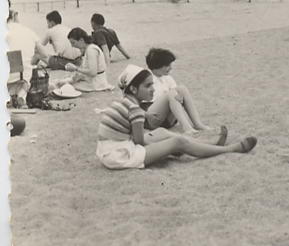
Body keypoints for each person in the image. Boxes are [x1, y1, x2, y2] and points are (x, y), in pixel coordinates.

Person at [96, 64, 257, 170]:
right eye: (147, 85)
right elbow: (139, 143)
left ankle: (208, 144)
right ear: (133, 88)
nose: (152, 89)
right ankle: (229, 149)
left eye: (152, 84)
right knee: (178, 142)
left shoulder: (125, 103)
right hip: (120, 155)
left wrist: (161, 140)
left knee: (161, 133)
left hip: (110, 150)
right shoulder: (135, 110)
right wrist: (167, 146)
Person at [142, 48, 220, 136]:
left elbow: (177, 96)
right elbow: (131, 103)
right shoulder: (144, 77)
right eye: (167, 65)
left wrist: (180, 97)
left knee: (181, 88)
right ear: (158, 65)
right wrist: (145, 115)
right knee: (171, 93)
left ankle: (198, 124)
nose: (170, 67)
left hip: (168, 119)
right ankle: (187, 128)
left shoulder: (167, 78)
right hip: (151, 118)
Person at [52, 27, 113, 92]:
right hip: (95, 80)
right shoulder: (88, 48)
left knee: (65, 87)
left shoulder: (91, 50)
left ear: (81, 40)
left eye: (73, 43)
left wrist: (76, 68)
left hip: (96, 83)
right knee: (63, 83)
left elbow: (93, 72)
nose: (72, 46)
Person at [7, 7, 40, 107]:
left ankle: (9, 97)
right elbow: (43, 54)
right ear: (13, 16)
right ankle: (21, 94)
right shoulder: (28, 31)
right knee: (27, 71)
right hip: (21, 76)